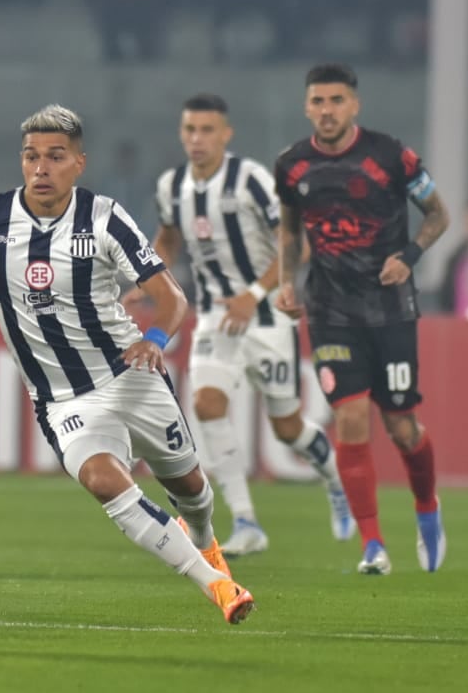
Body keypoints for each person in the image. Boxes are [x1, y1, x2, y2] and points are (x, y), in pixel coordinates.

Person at [0, 104, 255, 624]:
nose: (41, 168)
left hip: (130, 377)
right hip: (62, 400)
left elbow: (171, 297)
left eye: (55, 157)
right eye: (31, 157)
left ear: (79, 163)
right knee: (102, 480)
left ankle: (206, 542)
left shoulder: (105, 218)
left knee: (190, 489)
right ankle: (217, 587)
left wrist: (156, 337)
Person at [143, 93, 354, 556]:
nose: (197, 139)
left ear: (225, 134)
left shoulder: (253, 181)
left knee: (288, 429)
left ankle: (336, 479)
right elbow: (167, 238)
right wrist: (146, 280)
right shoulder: (171, 186)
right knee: (207, 403)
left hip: (266, 317)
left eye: (206, 130)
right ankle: (245, 521)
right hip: (216, 317)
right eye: (190, 131)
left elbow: (294, 242)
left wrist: (254, 294)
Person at [274, 63, 451, 575]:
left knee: (401, 428)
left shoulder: (392, 156)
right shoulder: (291, 165)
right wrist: (288, 281)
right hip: (331, 310)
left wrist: (410, 257)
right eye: (317, 101)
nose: (326, 110)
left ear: (355, 105)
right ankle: (372, 545)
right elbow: (289, 231)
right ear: (307, 107)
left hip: (391, 309)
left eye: (336, 100)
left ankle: (426, 508)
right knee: (351, 419)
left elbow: (439, 214)